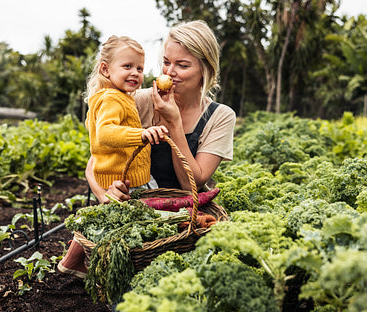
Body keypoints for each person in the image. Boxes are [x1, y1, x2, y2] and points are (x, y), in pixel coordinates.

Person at [58, 20, 236, 278]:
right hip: (139, 210)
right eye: (166, 62)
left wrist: (172, 121)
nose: (170, 72)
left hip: (185, 213)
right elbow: (95, 162)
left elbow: (192, 184)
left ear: (205, 69)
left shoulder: (220, 117)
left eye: (182, 65)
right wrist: (105, 197)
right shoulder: (137, 100)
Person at [85, 35, 168, 191]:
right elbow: (104, 132)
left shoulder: (116, 97)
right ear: (105, 69)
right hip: (126, 182)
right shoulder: (112, 98)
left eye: (139, 68)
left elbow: (93, 127)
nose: (135, 73)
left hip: (131, 178)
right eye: (127, 66)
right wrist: (141, 134)